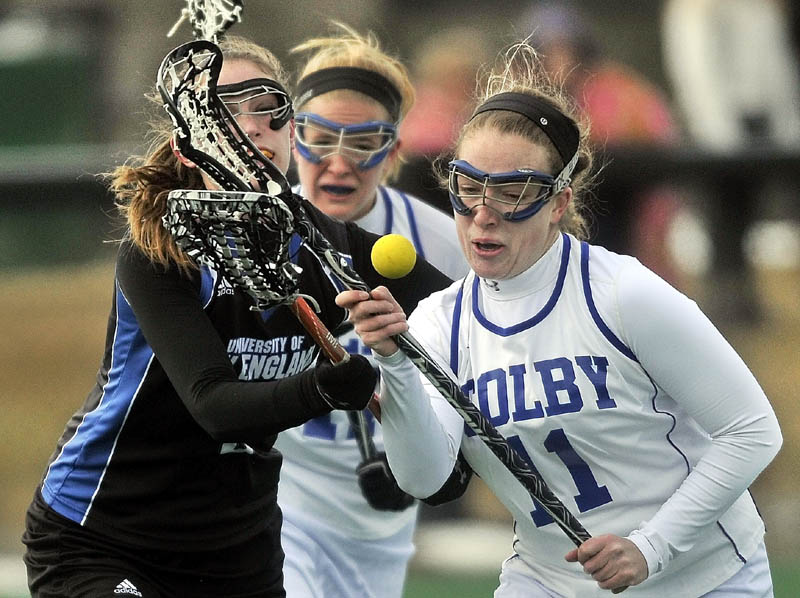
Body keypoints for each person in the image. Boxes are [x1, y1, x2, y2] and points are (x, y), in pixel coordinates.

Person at [337, 41, 783, 597]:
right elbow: (423, 478)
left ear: (557, 202)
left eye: (513, 191)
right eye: (468, 186)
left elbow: (753, 431)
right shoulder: (438, 324)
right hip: (548, 582)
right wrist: (396, 363)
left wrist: (652, 546)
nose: (483, 214)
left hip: (703, 578)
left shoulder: (623, 293)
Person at [20, 35, 451, 598]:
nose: (251, 129)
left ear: (289, 133)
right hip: (103, 536)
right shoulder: (157, 252)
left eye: (268, 111)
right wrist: (329, 386)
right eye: (223, 111)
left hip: (235, 550)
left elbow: (466, 315)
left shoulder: (328, 247)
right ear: (185, 144)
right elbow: (217, 407)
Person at [273, 22, 469, 598]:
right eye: (318, 136)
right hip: (276, 501)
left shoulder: (442, 247)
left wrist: (446, 465)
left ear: (393, 154)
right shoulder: (249, 236)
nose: (339, 162)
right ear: (291, 138)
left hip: (382, 519)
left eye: (363, 143)